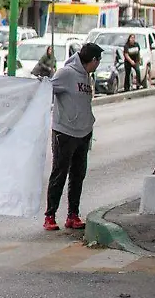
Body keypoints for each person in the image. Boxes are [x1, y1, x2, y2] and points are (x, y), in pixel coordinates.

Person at [43, 42, 101, 232]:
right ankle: (50, 215)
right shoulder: (66, 73)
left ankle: (73, 215)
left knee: (78, 175)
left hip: (83, 133)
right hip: (65, 133)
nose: (98, 65)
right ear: (93, 60)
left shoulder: (87, 76)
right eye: (98, 61)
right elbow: (47, 89)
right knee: (59, 173)